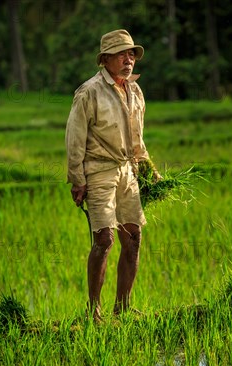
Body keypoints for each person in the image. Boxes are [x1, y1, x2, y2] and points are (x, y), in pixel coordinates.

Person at [65, 29, 160, 322]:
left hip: (127, 171)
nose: (128, 59)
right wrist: (77, 179)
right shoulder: (89, 92)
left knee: (133, 238)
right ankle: (93, 311)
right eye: (121, 54)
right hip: (98, 170)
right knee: (104, 239)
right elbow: (74, 138)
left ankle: (123, 308)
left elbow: (136, 139)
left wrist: (147, 167)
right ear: (105, 59)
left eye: (131, 53)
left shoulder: (135, 91)